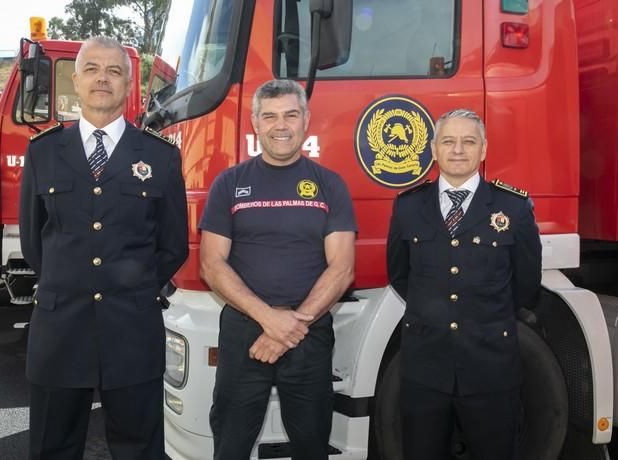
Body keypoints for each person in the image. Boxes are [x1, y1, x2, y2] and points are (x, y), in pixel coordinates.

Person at [19, 36, 188, 460]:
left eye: (114, 71)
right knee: (51, 447)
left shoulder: (160, 156)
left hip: (131, 329)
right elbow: (34, 240)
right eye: (92, 69)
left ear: (128, 86)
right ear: (75, 81)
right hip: (60, 331)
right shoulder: (43, 152)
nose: (102, 79)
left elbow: (173, 244)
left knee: (139, 449)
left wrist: (131, 287)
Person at [199, 79, 357, 460]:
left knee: (312, 445)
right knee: (231, 445)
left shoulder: (329, 186)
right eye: (269, 116)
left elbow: (343, 268)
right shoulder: (229, 184)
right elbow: (211, 264)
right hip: (243, 335)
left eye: (290, 114)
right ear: (255, 122)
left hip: (308, 335)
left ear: (305, 120)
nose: (280, 125)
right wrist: (269, 319)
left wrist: (291, 325)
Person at [387, 108, 542, 460]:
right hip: (425, 369)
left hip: (490, 369)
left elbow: (526, 283)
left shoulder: (512, 208)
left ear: (483, 150)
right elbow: (399, 274)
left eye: (468, 141)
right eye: (449, 141)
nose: (458, 150)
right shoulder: (407, 207)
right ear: (433, 149)